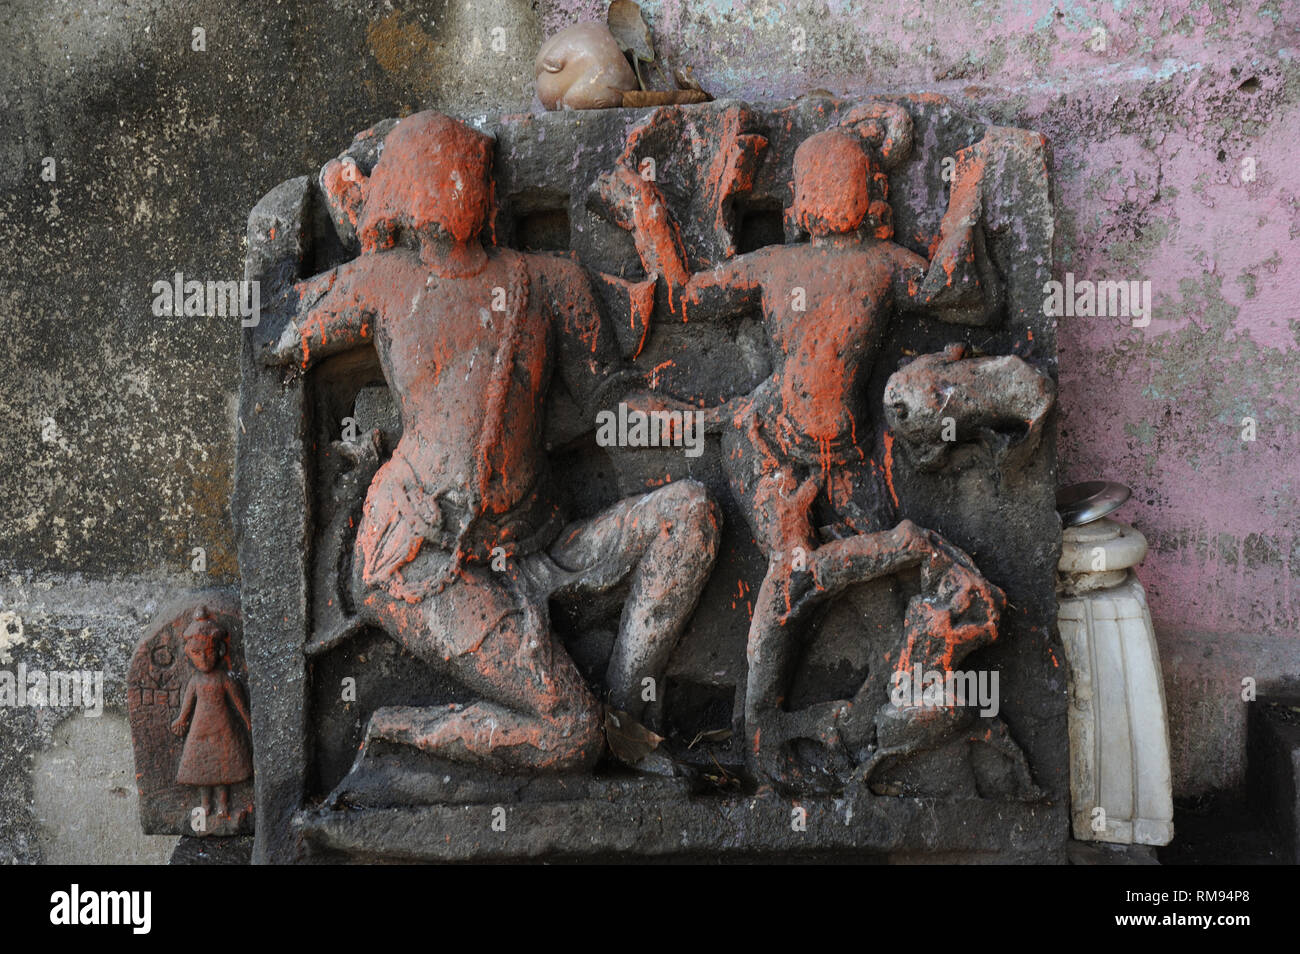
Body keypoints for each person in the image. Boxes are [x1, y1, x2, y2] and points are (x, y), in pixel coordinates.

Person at [270, 111, 719, 778]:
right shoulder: (389, 281)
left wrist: (720, 419)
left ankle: (628, 716)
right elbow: (283, 340)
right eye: (437, 178)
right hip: (422, 560)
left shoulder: (549, 280)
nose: (456, 192)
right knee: (568, 733)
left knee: (691, 515)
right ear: (407, 197)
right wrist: (335, 233)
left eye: (469, 175)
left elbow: (614, 405)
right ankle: (398, 734)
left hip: (534, 546)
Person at [171, 607, 252, 819]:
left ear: (219, 652)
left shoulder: (224, 678)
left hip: (223, 727)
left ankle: (223, 806)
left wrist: (247, 720)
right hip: (200, 728)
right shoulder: (196, 681)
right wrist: (182, 719)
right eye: (197, 653)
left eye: (209, 652)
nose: (204, 659)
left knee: (224, 770)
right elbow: (188, 704)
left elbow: (238, 701)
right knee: (201, 769)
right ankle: (205, 805)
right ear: (189, 655)